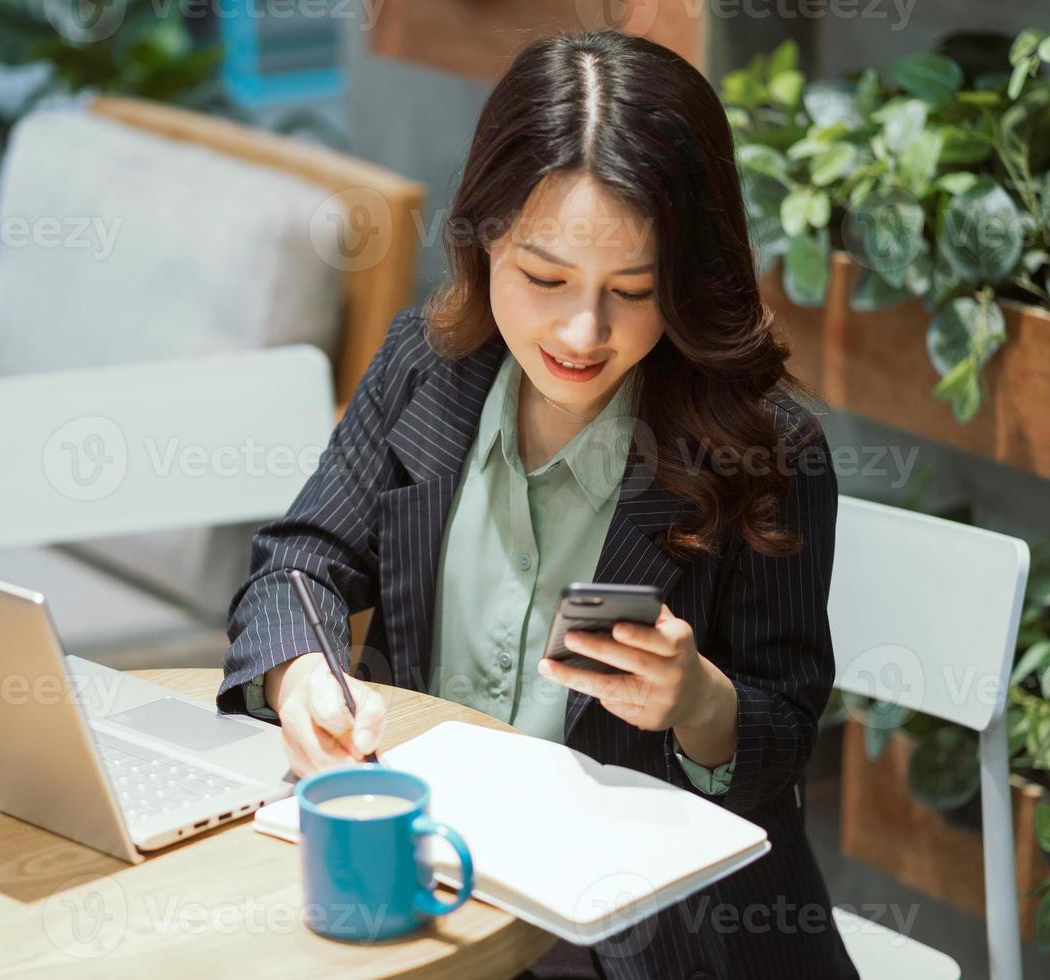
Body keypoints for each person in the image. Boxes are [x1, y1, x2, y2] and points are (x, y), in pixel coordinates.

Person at [218, 29, 858, 980]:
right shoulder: (426, 370)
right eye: (544, 278)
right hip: (432, 895)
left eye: (632, 292)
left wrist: (700, 703)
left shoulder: (766, 453)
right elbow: (297, 564)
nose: (581, 332)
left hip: (653, 941)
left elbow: (785, 739)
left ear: (685, 281)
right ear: (482, 241)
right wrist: (300, 678)